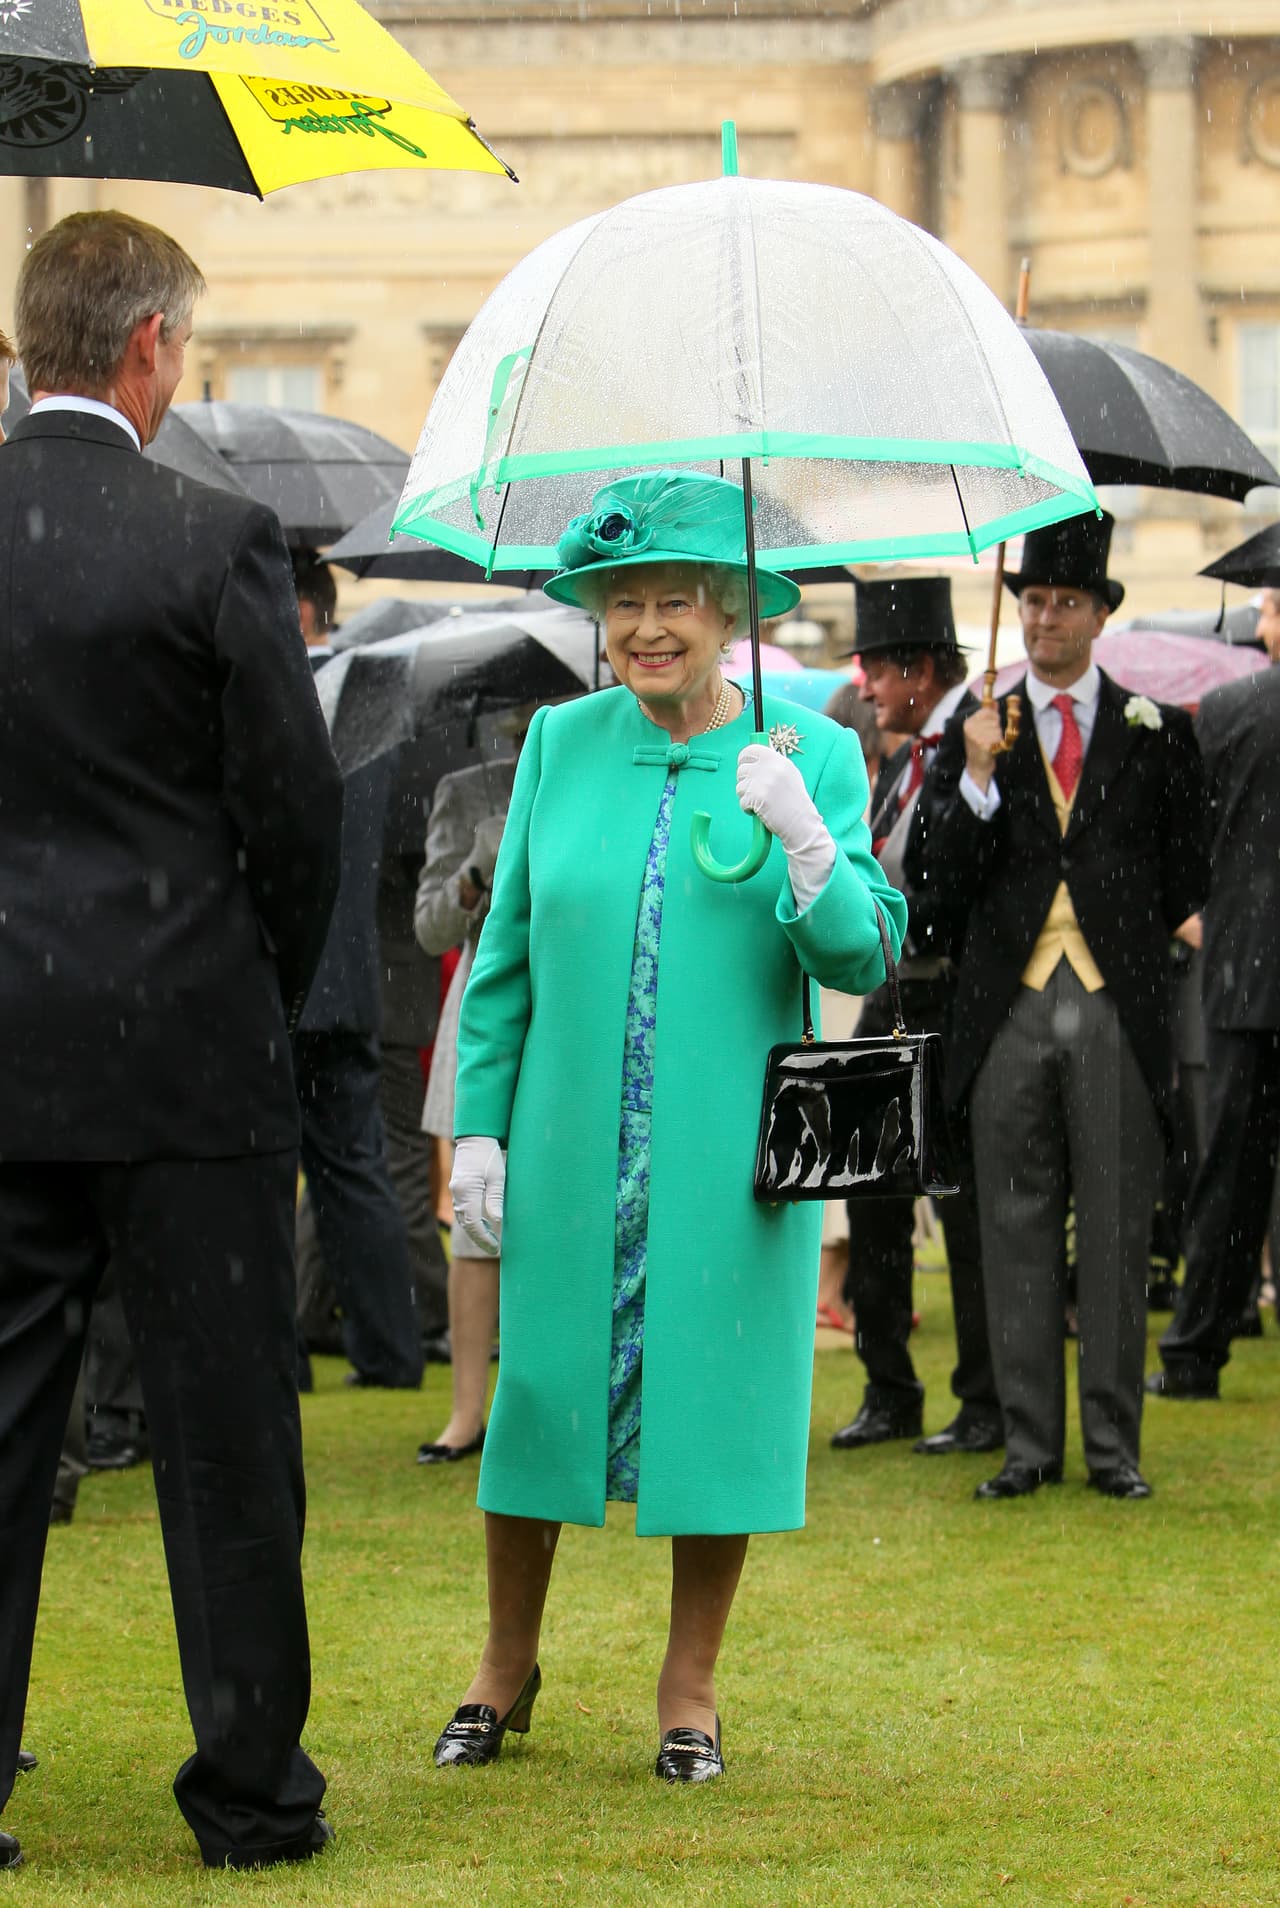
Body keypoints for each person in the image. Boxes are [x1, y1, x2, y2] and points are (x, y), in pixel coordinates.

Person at [432, 470, 904, 1782]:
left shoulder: (812, 752)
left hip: (724, 1156)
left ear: (728, 608)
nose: (649, 628)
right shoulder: (562, 744)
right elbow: (508, 950)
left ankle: (688, 1687)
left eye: (676, 603)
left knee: (719, 1408)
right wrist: (481, 1131)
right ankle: (503, 1666)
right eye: (625, 602)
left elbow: (864, 943)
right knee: (532, 1401)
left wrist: (809, 842)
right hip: (575, 1142)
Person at [0, 210, 342, 1871]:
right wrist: (249, 977)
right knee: (225, 1446)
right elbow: (295, 813)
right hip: (189, 1048)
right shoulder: (218, 536)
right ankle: (251, 1790)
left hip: (2, 1050)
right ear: (145, 351)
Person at [907, 513, 1207, 1501]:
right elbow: (934, 884)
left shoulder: (1154, 732)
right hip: (1005, 1011)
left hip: (1114, 1008)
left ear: (1097, 614)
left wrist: (1134, 939)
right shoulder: (973, 727)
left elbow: (1183, 875)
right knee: (1012, 1222)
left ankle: (1112, 1451)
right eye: (1030, 601)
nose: (1041, 619)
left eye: (1063, 602)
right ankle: (1027, 1448)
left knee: (1117, 1226)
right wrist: (980, 777)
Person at [829, 578, 1000, 1458]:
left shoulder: (981, 743)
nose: (862, 688)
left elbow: (961, 889)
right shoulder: (900, 756)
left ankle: (983, 1400)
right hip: (890, 995)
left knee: (960, 1205)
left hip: (953, 997)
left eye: (873, 669)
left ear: (920, 668)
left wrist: (890, 912)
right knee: (872, 1193)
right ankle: (888, 1383)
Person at [293, 554, 425, 1392]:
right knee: (356, 1170)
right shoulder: (379, 692)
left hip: (291, 969)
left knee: (270, 1175)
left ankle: (283, 1355)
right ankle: (390, 1349)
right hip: (351, 973)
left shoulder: (281, 689)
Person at [1146, 586, 1280, 1398]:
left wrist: (1199, 918)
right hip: (1247, 958)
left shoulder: (1228, 710)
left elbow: (1184, 832)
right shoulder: (1233, 707)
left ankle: (1198, 1351)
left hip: (1247, 967)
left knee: (1231, 1169)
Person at [413, 743, 521, 1463]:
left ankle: (553, 1406)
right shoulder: (465, 787)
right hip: (488, 1002)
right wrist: (480, 870)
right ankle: (466, 1412)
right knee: (478, 1216)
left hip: (584, 1002)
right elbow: (429, 929)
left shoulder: (607, 757)